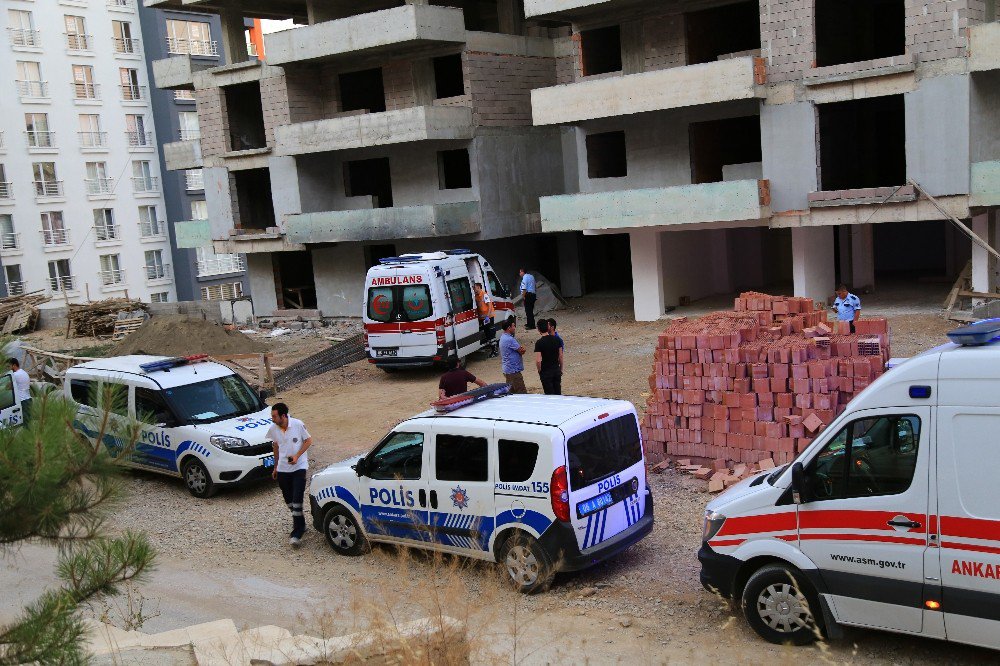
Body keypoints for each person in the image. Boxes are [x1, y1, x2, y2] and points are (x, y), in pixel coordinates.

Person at [267, 402, 313, 548]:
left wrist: (297, 456)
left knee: (297, 499)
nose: (272, 419)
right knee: (289, 501)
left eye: (274, 416)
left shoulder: (298, 424)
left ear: (283, 415)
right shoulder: (274, 429)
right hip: (283, 469)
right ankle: (301, 523)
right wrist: (275, 467)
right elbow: (275, 446)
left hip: (299, 467)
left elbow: (308, 440)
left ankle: (297, 533)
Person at [534, 319, 564, 395]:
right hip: (556, 370)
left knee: (549, 395)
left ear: (538, 329)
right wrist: (560, 369)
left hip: (546, 372)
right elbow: (560, 356)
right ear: (548, 327)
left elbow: (538, 360)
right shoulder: (557, 339)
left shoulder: (539, 343)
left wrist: (540, 371)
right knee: (558, 393)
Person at [499, 316, 528, 394]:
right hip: (513, 371)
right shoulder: (510, 339)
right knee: (522, 392)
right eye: (513, 326)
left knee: (512, 393)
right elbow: (521, 350)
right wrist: (523, 349)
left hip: (508, 369)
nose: (514, 328)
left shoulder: (503, 337)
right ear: (509, 328)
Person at [474, 282, 496, 349]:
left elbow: (489, 306)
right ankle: (491, 347)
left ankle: (494, 350)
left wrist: (487, 316)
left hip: (489, 317)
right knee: (487, 333)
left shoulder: (484, 294)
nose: (474, 289)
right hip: (483, 318)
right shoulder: (476, 296)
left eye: (474, 288)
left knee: (491, 333)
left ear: (478, 287)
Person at [9, 358, 30, 422]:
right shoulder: (23, 372)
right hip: (28, 399)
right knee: (27, 423)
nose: (9, 368)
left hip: (22, 401)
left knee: (25, 423)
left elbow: (7, 387)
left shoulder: (15, 375)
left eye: (9, 366)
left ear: (14, 365)